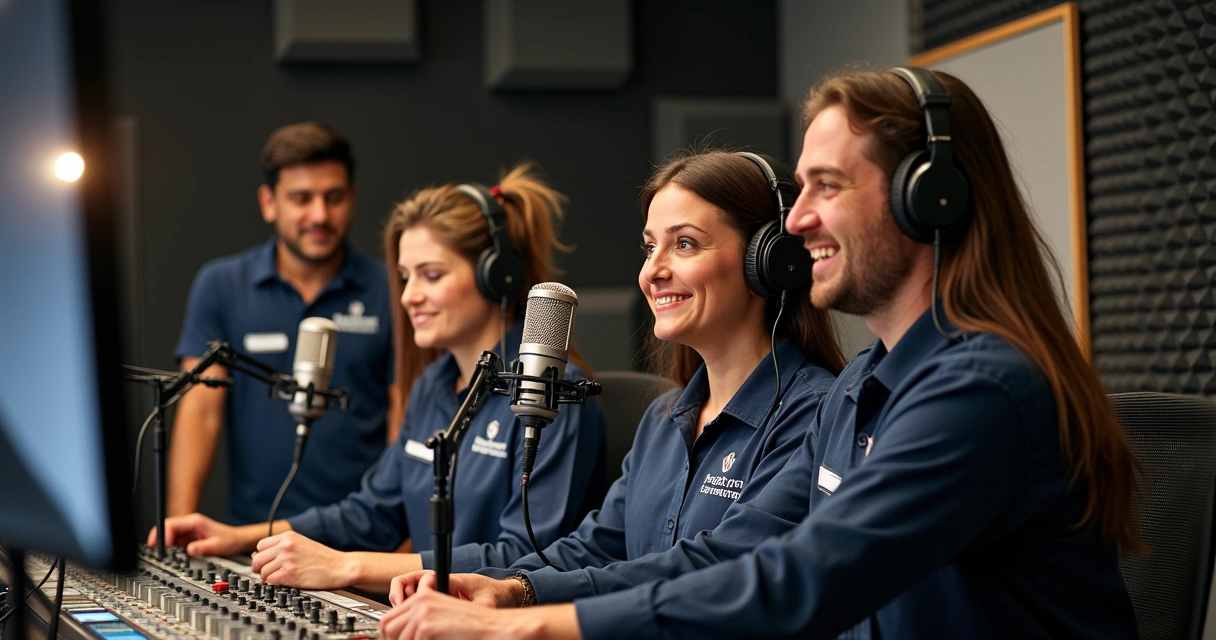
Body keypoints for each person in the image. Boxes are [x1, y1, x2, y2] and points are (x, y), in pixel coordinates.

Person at [377, 67, 1141, 639]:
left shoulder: (980, 391)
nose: (799, 221)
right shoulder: (863, 388)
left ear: (927, 195)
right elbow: (724, 560)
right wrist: (517, 593)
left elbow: (805, 579)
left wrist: (528, 628)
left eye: (827, 186)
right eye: (798, 190)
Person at [390, 149, 845, 595]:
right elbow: (598, 545)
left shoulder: (817, 415)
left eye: (684, 243)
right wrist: (497, 584)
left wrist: (521, 593)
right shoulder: (665, 417)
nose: (652, 272)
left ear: (768, 262)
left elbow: (711, 570)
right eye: (650, 247)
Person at [154, 164, 609, 593]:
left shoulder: (556, 400)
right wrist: (237, 537)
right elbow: (371, 513)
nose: (410, 297)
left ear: (496, 277)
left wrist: (346, 567)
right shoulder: (435, 384)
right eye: (405, 276)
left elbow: (523, 556)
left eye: (431, 276)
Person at [167, 122, 398, 526]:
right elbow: (201, 410)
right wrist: (179, 525)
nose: (320, 215)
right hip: (250, 542)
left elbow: (404, 412)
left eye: (334, 197)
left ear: (353, 200)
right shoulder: (222, 284)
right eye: (301, 198)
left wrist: (401, 532)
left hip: (359, 543)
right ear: (269, 202)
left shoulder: (393, 289)